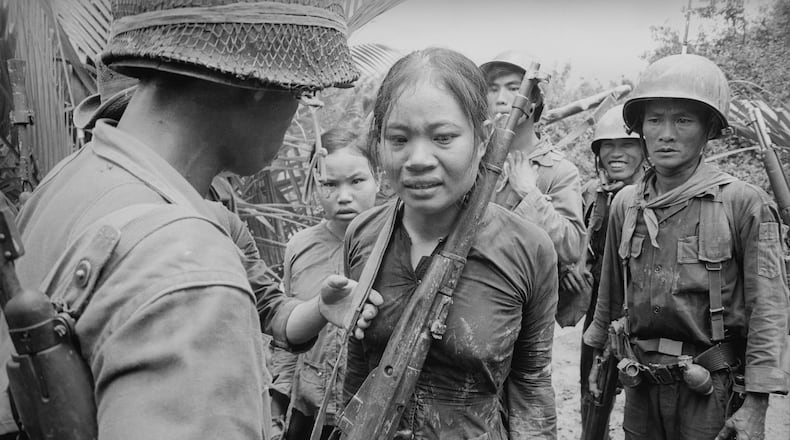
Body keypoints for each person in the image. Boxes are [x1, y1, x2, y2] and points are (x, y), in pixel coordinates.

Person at [3, 1, 382, 439]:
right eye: (300, 92)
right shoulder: (189, 264)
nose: (295, 112)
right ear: (261, 84)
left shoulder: (68, 181)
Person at [342, 47, 558, 439]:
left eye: (443, 138)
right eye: (398, 138)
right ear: (379, 141)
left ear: (483, 138)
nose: (418, 159)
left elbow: (531, 385)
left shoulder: (528, 248)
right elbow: (356, 373)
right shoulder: (363, 236)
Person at [583, 53, 789, 440]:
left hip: (709, 388)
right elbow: (610, 297)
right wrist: (600, 361)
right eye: (654, 120)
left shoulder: (743, 203)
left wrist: (757, 403)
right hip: (641, 383)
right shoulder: (626, 204)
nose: (666, 133)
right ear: (640, 128)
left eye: (683, 120)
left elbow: (769, 309)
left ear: (709, 127)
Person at [269, 126, 379, 440]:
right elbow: (287, 333)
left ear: (379, 179)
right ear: (314, 185)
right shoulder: (300, 247)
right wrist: (276, 407)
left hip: (371, 415)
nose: (344, 196)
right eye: (329, 184)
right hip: (307, 412)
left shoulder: (399, 245)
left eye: (357, 181)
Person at [479, 51, 587, 326]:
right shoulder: (472, 161)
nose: (502, 98)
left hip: (524, 312)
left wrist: (530, 194)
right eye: (493, 89)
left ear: (534, 99)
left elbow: (572, 246)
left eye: (514, 88)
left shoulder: (559, 171)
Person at [577, 104, 645, 439]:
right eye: (608, 145)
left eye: (627, 144)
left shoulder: (658, 193)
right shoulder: (593, 193)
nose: (616, 153)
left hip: (645, 310)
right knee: (592, 397)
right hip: (601, 307)